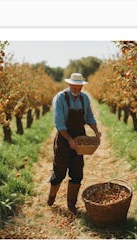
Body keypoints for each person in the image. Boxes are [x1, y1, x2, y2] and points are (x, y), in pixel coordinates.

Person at [48, 73, 101, 214]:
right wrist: (70, 140)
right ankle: (51, 197)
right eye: (75, 86)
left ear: (82, 85)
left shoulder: (84, 98)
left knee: (77, 173)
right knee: (59, 172)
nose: (77, 89)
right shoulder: (61, 98)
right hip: (64, 140)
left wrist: (96, 131)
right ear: (70, 84)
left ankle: (71, 204)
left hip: (79, 140)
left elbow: (89, 117)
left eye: (79, 86)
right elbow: (59, 123)